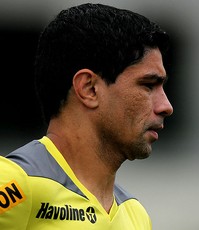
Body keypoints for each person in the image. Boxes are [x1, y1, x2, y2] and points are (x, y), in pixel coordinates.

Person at [0, 3, 173, 229]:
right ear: (89, 89)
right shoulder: (14, 182)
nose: (166, 106)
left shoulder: (136, 215)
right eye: (148, 85)